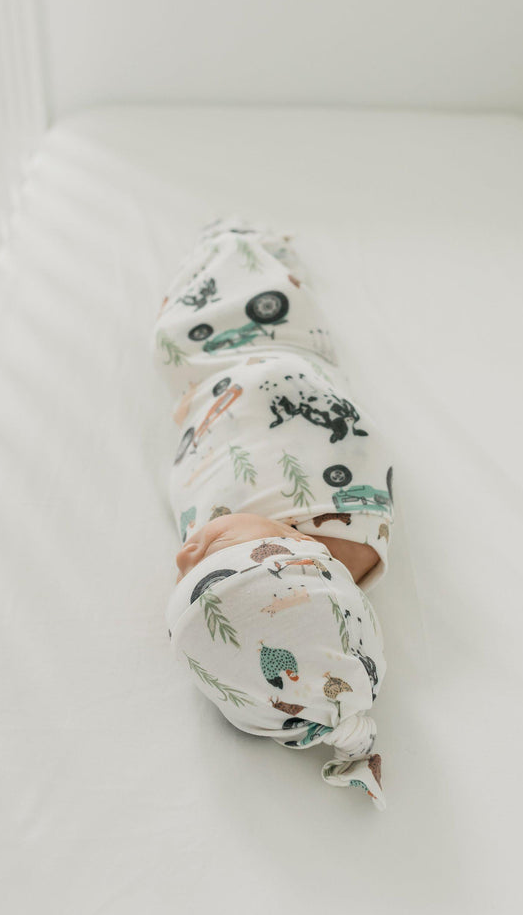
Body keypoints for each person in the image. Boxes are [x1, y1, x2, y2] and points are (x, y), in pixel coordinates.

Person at [152, 216, 395, 808]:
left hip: (216, 398)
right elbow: (342, 433)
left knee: (173, 349)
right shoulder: (348, 530)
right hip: (276, 359)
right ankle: (239, 243)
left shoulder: (317, 585)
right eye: (215, 554)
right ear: (298, 549)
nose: (185, 555)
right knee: (186, 332)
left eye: (188, 573)